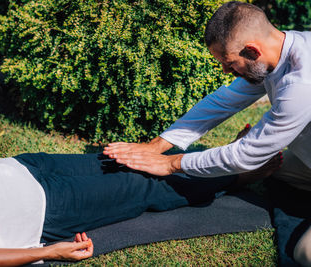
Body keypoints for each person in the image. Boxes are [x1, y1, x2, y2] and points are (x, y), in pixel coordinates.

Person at [104, 1, 311, 265]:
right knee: (274, 170)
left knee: (304, 253)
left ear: (251, 50)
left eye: (228, 63)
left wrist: (170, 164)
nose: (225, 71)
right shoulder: (276, 55)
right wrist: (156, 147)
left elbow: (245, 155)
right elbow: (222, 102)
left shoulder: (302, 82)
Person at [0, 136, 280, 267]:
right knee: (145, 186)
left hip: (20, 166)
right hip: (42, 210)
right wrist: (48, 253)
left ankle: (226, 157)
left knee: (127, 159)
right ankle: (240, 173)